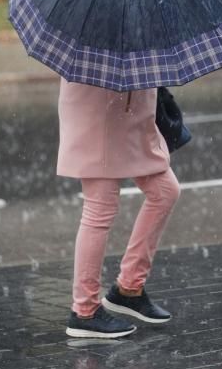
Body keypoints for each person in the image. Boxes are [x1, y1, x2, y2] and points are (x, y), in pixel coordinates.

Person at [57, 79, 181, 339]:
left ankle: (128, 289)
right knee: (100, 208)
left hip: (134, 117)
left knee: (165, 191)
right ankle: (84, 312)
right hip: (99, 116)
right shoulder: (97, 40)